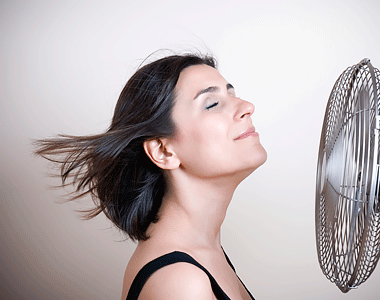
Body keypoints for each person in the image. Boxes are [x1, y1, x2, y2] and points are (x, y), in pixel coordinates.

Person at [35, 52, 267, 300]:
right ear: (163, 151)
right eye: (212, 104)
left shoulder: (206, 253)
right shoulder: (180, 282)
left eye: (231, 94)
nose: (247, 107)